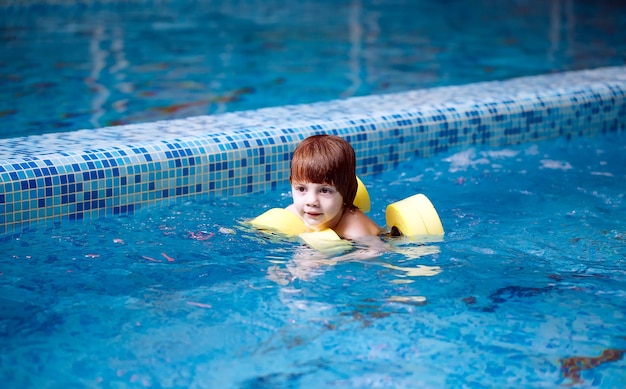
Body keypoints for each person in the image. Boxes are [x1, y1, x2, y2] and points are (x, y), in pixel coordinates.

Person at [285, 134, 381, 241]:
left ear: (345, 192)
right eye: (302, 189)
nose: (311, 201)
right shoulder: (293, 213)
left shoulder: (356, 231)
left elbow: (374, 253)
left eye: (324, 190)